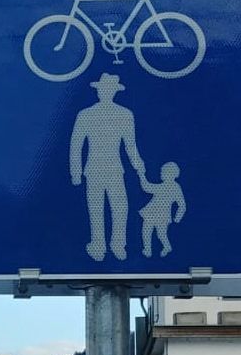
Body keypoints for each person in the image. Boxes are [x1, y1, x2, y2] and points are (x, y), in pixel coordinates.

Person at [70, 73, 145, 261]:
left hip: (113, 169)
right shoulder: (86, 114)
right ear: (98, 91)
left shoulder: (125, 114)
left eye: (109, 90)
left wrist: (138, 166)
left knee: (120, 207)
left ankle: (117, 244)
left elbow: (130, 146)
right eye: (104, 89)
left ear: (113, 92)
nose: (106, 92)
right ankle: (98, 245)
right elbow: (76, 145)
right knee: (97, 209)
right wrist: (76, 173)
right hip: (94, 169)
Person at [138, 161, 186, 257]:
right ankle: (148, 249)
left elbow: (182, 205)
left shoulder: (172, 187)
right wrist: (141, 176)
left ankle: (164, 247)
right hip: (154, 213)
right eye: (161, 172)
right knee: (148, 231)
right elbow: (147, 187)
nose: (161, 174)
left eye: (163, 172)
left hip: (158, 214)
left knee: (159, 234)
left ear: (170, 174)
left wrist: (142, 175)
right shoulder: (168, 186)